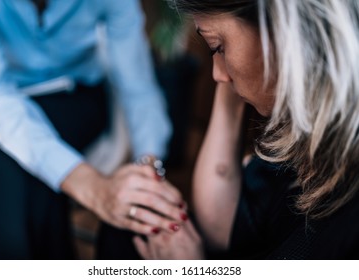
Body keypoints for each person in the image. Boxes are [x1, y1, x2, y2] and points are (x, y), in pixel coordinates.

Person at [133, 0, 359, 259]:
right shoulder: (295, 129)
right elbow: (222, 229)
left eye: (218, 48)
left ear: (284, 30)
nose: (218, 76)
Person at [0, 0, 188, 259]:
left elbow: (137, 86)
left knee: (7, 166)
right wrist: (94, 189)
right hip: (2, 103)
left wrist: (148, 170)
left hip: (77, 96)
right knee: (12, 163)